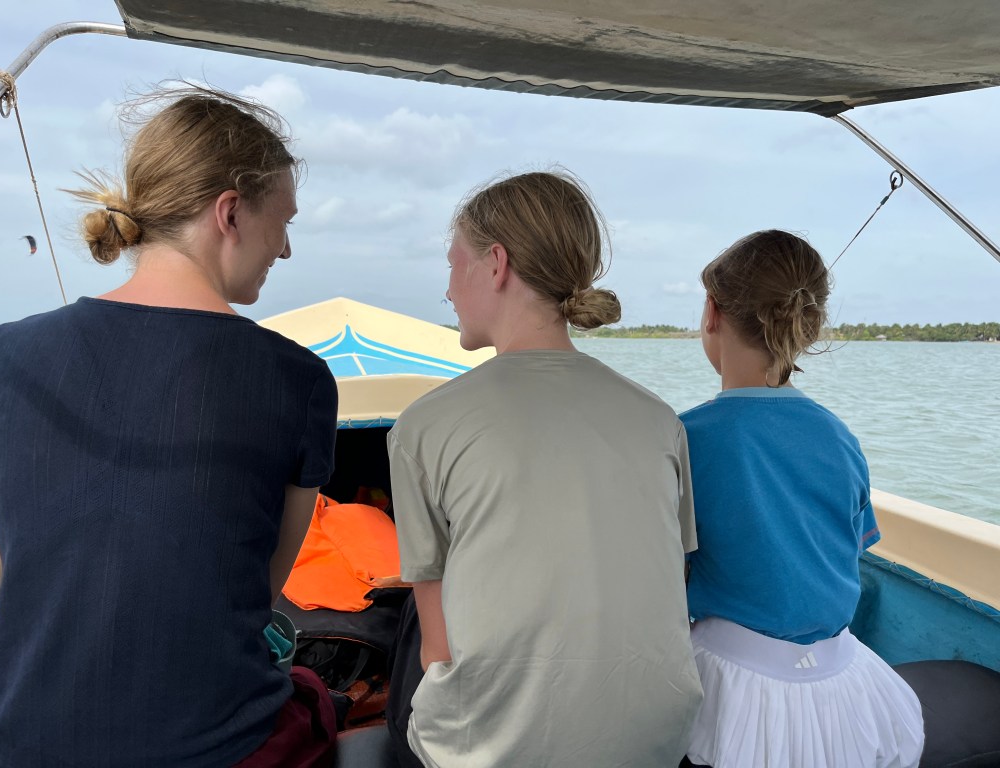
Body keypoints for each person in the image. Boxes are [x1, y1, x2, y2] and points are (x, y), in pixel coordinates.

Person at [0, 85, 339, 767]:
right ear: (230, 212)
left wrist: (38, 571)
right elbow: (255, 592)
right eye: (283, 222)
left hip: (18, 746)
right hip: (215, 749)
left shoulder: (2, 355)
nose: (286, 249)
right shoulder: (298, 379)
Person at [384, 170, 703, 767]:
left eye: (454, 266)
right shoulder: (662, 422)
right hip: (659, 739)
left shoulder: (423, 428)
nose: (448, 291)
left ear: (496, 264)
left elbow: (438, 651)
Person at [678, 229, 925, 768]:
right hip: (843, 683)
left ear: (712, 312)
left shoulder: (685, 438)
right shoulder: (839, 437)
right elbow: (845, 549)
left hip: (730, 685)